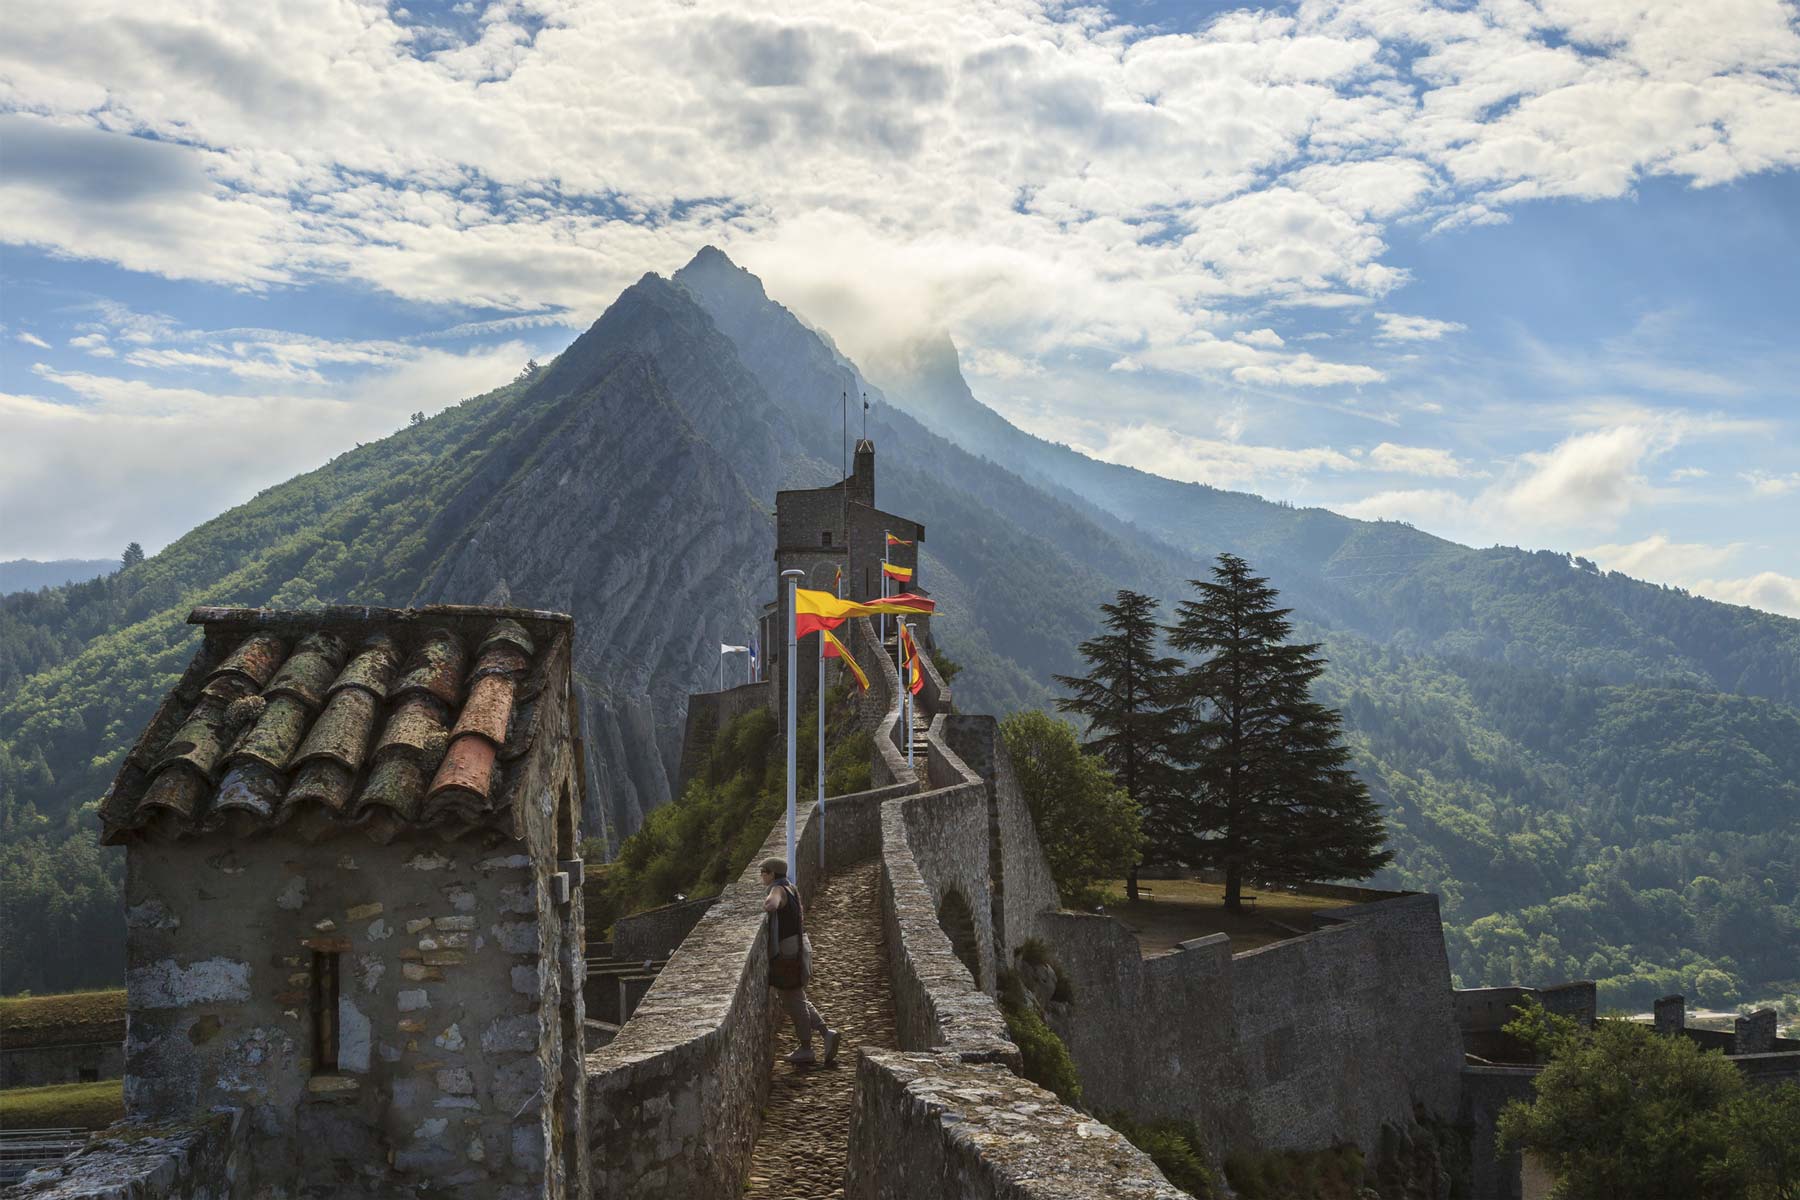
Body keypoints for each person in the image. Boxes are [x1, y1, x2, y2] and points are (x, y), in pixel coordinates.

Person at [760, 857, 841, 1066]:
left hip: (788, 951)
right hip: (799, 945)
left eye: (763, 872)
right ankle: (826, 1033)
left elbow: (771, 905)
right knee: (799, 996)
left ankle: (806, 1048)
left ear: (771, 874)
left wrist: (768, 898)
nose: (761, 876)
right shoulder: (792, 888)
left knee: (793, 1001)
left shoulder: (778, 889)